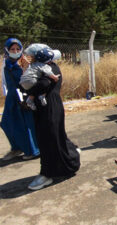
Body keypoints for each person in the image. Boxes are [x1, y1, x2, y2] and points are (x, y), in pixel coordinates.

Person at [28, 47, 80, 190]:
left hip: (50, 108)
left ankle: (48, 173)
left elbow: (43, 84)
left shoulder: (51, 68)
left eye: (33, 56)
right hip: (46, 107)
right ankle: (66, 162)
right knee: (53, 138)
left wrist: (29, 92)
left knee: (49, 139)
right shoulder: (45, 67)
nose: (31, 59)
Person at [1, 38, 40, 161]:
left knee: (25, 124)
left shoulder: (24, 62)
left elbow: (30, 80)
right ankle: (17, 148)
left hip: (22, 96)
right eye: (12, 49)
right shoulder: (6, 62)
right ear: (7, 50)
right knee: (6, 123)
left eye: (18, 49)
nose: (15, 51)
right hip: (12, 97)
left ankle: (32, 150)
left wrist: (25, 68)